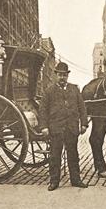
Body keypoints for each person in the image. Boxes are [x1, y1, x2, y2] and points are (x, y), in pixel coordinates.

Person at [38, 62, 89, 191]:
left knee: (73, 155)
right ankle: (54, 181)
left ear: (67, 76)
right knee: (55, 156)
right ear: (56, 75)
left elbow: (82, 107)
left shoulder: (74, 89)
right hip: (56, 129)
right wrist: (44, 127)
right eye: (60, 75)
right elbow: (43, 110)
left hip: (71, 128)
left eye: (64, 75)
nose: (62, 77)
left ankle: (76, 180)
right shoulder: (49, 91)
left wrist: (84, 123)